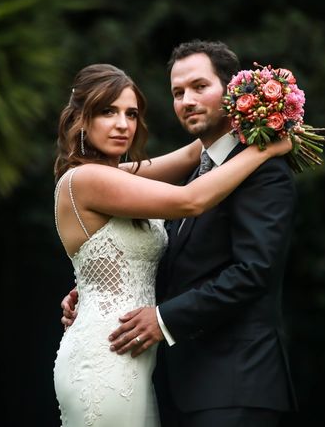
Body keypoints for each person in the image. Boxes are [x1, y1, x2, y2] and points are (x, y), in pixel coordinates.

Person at [62, 41, 299, 427]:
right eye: (177, 93)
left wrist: (163, 318)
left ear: (233, 91)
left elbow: (254, 272)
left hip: (235, 385)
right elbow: (189, 206)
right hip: (174, 384)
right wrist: (94, 290)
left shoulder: (263, 173)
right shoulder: (193, 176)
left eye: (199, 87)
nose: (187, 100)